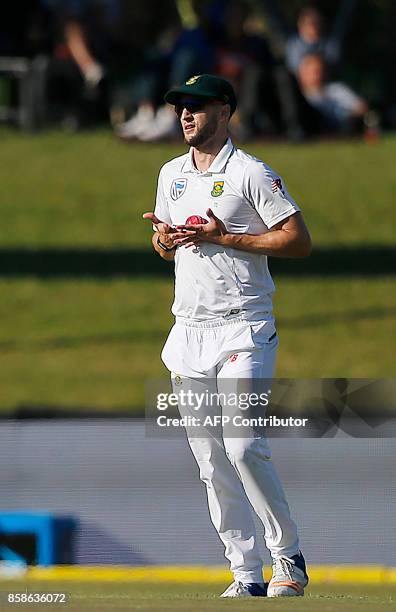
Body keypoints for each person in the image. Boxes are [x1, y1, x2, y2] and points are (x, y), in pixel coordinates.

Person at [143, 74, 311, 598]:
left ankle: (288, 559)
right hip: (188, 330)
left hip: (244, 325)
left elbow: (298, 241)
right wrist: (164, 239)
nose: (186, 114)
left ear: (226, 111)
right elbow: (167, 243)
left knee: (242, 446)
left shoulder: (251, 173)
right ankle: (245, 572)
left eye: (197, 106)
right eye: (180, 107)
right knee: (210, 459)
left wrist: (228, 237)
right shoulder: (170, 173)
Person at [297, 53, 368, 133]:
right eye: (311, 72)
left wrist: (348, 116)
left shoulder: (336, 90)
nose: (316, 76)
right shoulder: (296, 97)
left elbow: (362, 107)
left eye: (318, 71)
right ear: (301, 73)